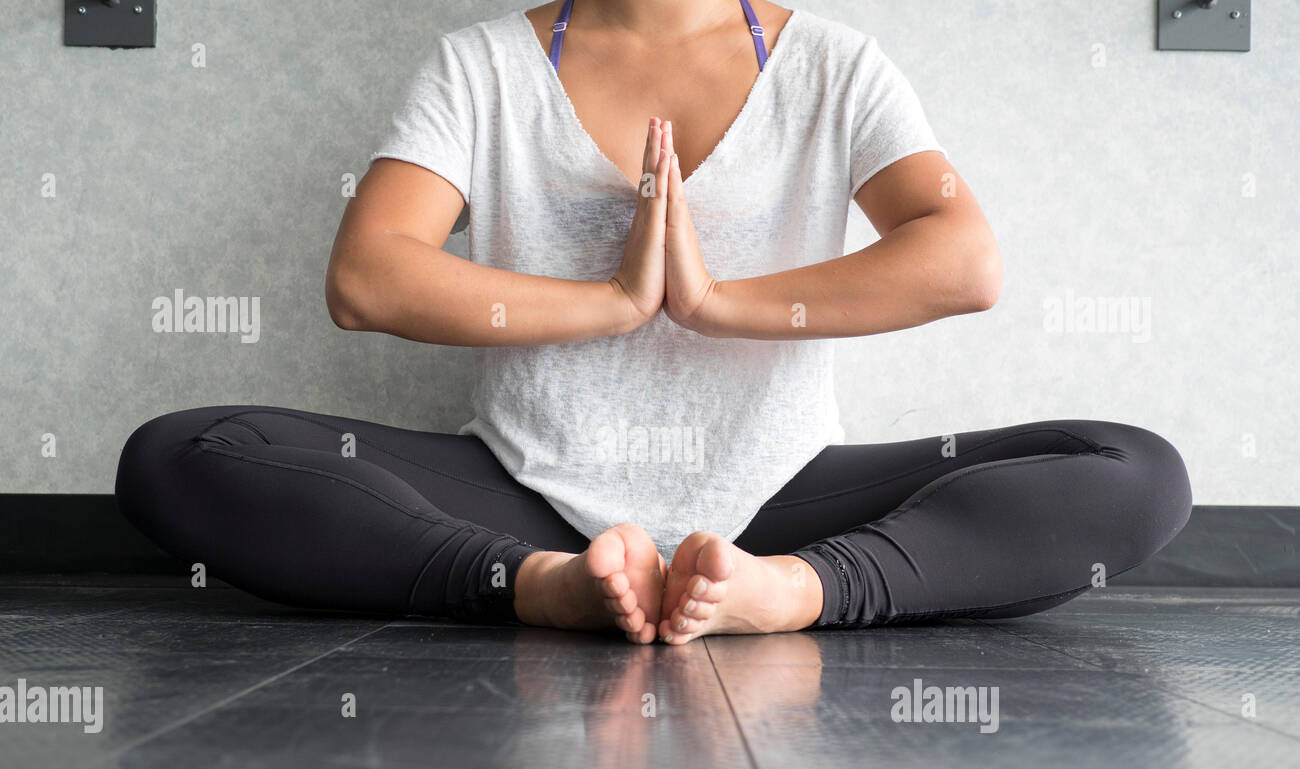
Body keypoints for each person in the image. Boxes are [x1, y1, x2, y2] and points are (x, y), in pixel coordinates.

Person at [116, 1, 1192, 645]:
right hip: (524, 492)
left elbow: (963, 259)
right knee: (179, 456)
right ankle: (540, 589)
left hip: (781, 495)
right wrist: (615, 303)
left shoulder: (833, 62)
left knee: (1132, 469)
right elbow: (366, 277)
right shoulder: (482, 62)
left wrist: (713, 304)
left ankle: (792, 595)